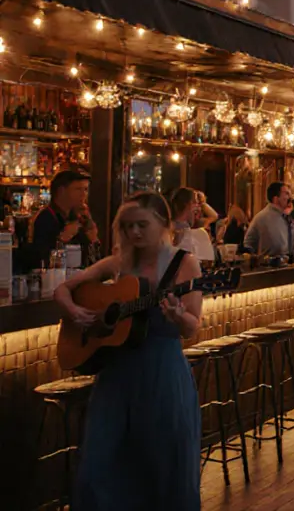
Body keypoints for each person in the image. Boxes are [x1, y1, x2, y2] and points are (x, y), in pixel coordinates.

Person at [55, 191, 203, 509]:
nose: (134, 233)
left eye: (141, 225)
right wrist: (74, 311)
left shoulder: (184, 263)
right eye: (127, 226)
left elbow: (192, 327)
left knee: (163, 475)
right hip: (116, 379)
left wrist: (178, 315)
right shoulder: (120, 262)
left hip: (162, 379)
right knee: (98, 472)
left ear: (163, 224)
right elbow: (64, 289)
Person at [27, 168, 98, 271]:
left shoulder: (78, 217)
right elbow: (39, 259)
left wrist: (92, 234)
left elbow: (93, 258)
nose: (84, 194)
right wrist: (63, 238)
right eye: (78, 189)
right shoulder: (45, 218)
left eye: (86, 189)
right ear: (61, 191)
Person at [243, 182, 294, 257]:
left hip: (288, 265)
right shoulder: (262, 218)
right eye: (286, 194)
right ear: (275, 199)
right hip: (270, 266)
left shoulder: (287, 218)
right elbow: (248, 245)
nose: (290, 198)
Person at [169, 187, 216, 263]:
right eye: (196, 203)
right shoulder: (170, 230)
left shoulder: (193, 228)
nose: (199, 208)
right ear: (187, 204)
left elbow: (214, 216)